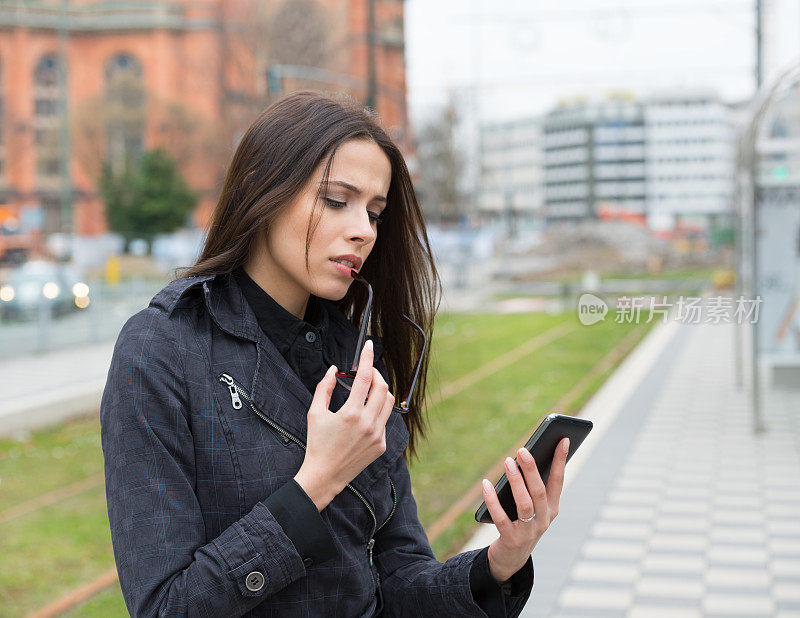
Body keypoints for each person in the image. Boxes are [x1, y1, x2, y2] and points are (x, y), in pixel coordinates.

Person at [101, 90, 568, 617]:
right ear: (265, 192)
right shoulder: (162, 350)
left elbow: (396, 580)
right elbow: (167, 608)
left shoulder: (359, 357)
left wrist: (499, 564)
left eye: (374, 211)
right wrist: (317, 483)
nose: (363, 230)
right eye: (335, 200)